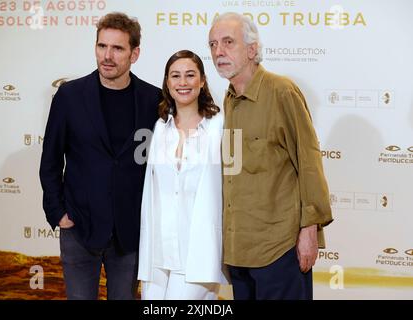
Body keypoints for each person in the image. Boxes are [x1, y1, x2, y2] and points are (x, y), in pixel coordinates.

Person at [208, 12, 333, 300]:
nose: (218, 52)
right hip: (239, 251)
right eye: (213, 44)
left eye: (228, 42)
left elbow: (309, 163)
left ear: (252, 49)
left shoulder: (282, 92)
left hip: (279, 250)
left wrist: (309, 232)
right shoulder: (228, 100)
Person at [39, 12, 160, 300]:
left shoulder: (152, 99)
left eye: (118, 48)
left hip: (129, 234)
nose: (107, 56)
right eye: (102, 46)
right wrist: (59, 214)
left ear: (135, 53)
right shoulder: (69, 96)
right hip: (79, 229)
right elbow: (51, 161)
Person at [137, 50, 228, 300]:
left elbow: (236, 183)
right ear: (167, 82)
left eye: (190, 75)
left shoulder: (222, 125)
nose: (183, 82)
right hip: (157, 252)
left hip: (199, 252)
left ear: (202, 80)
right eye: (175, 76)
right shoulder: (157, 127)